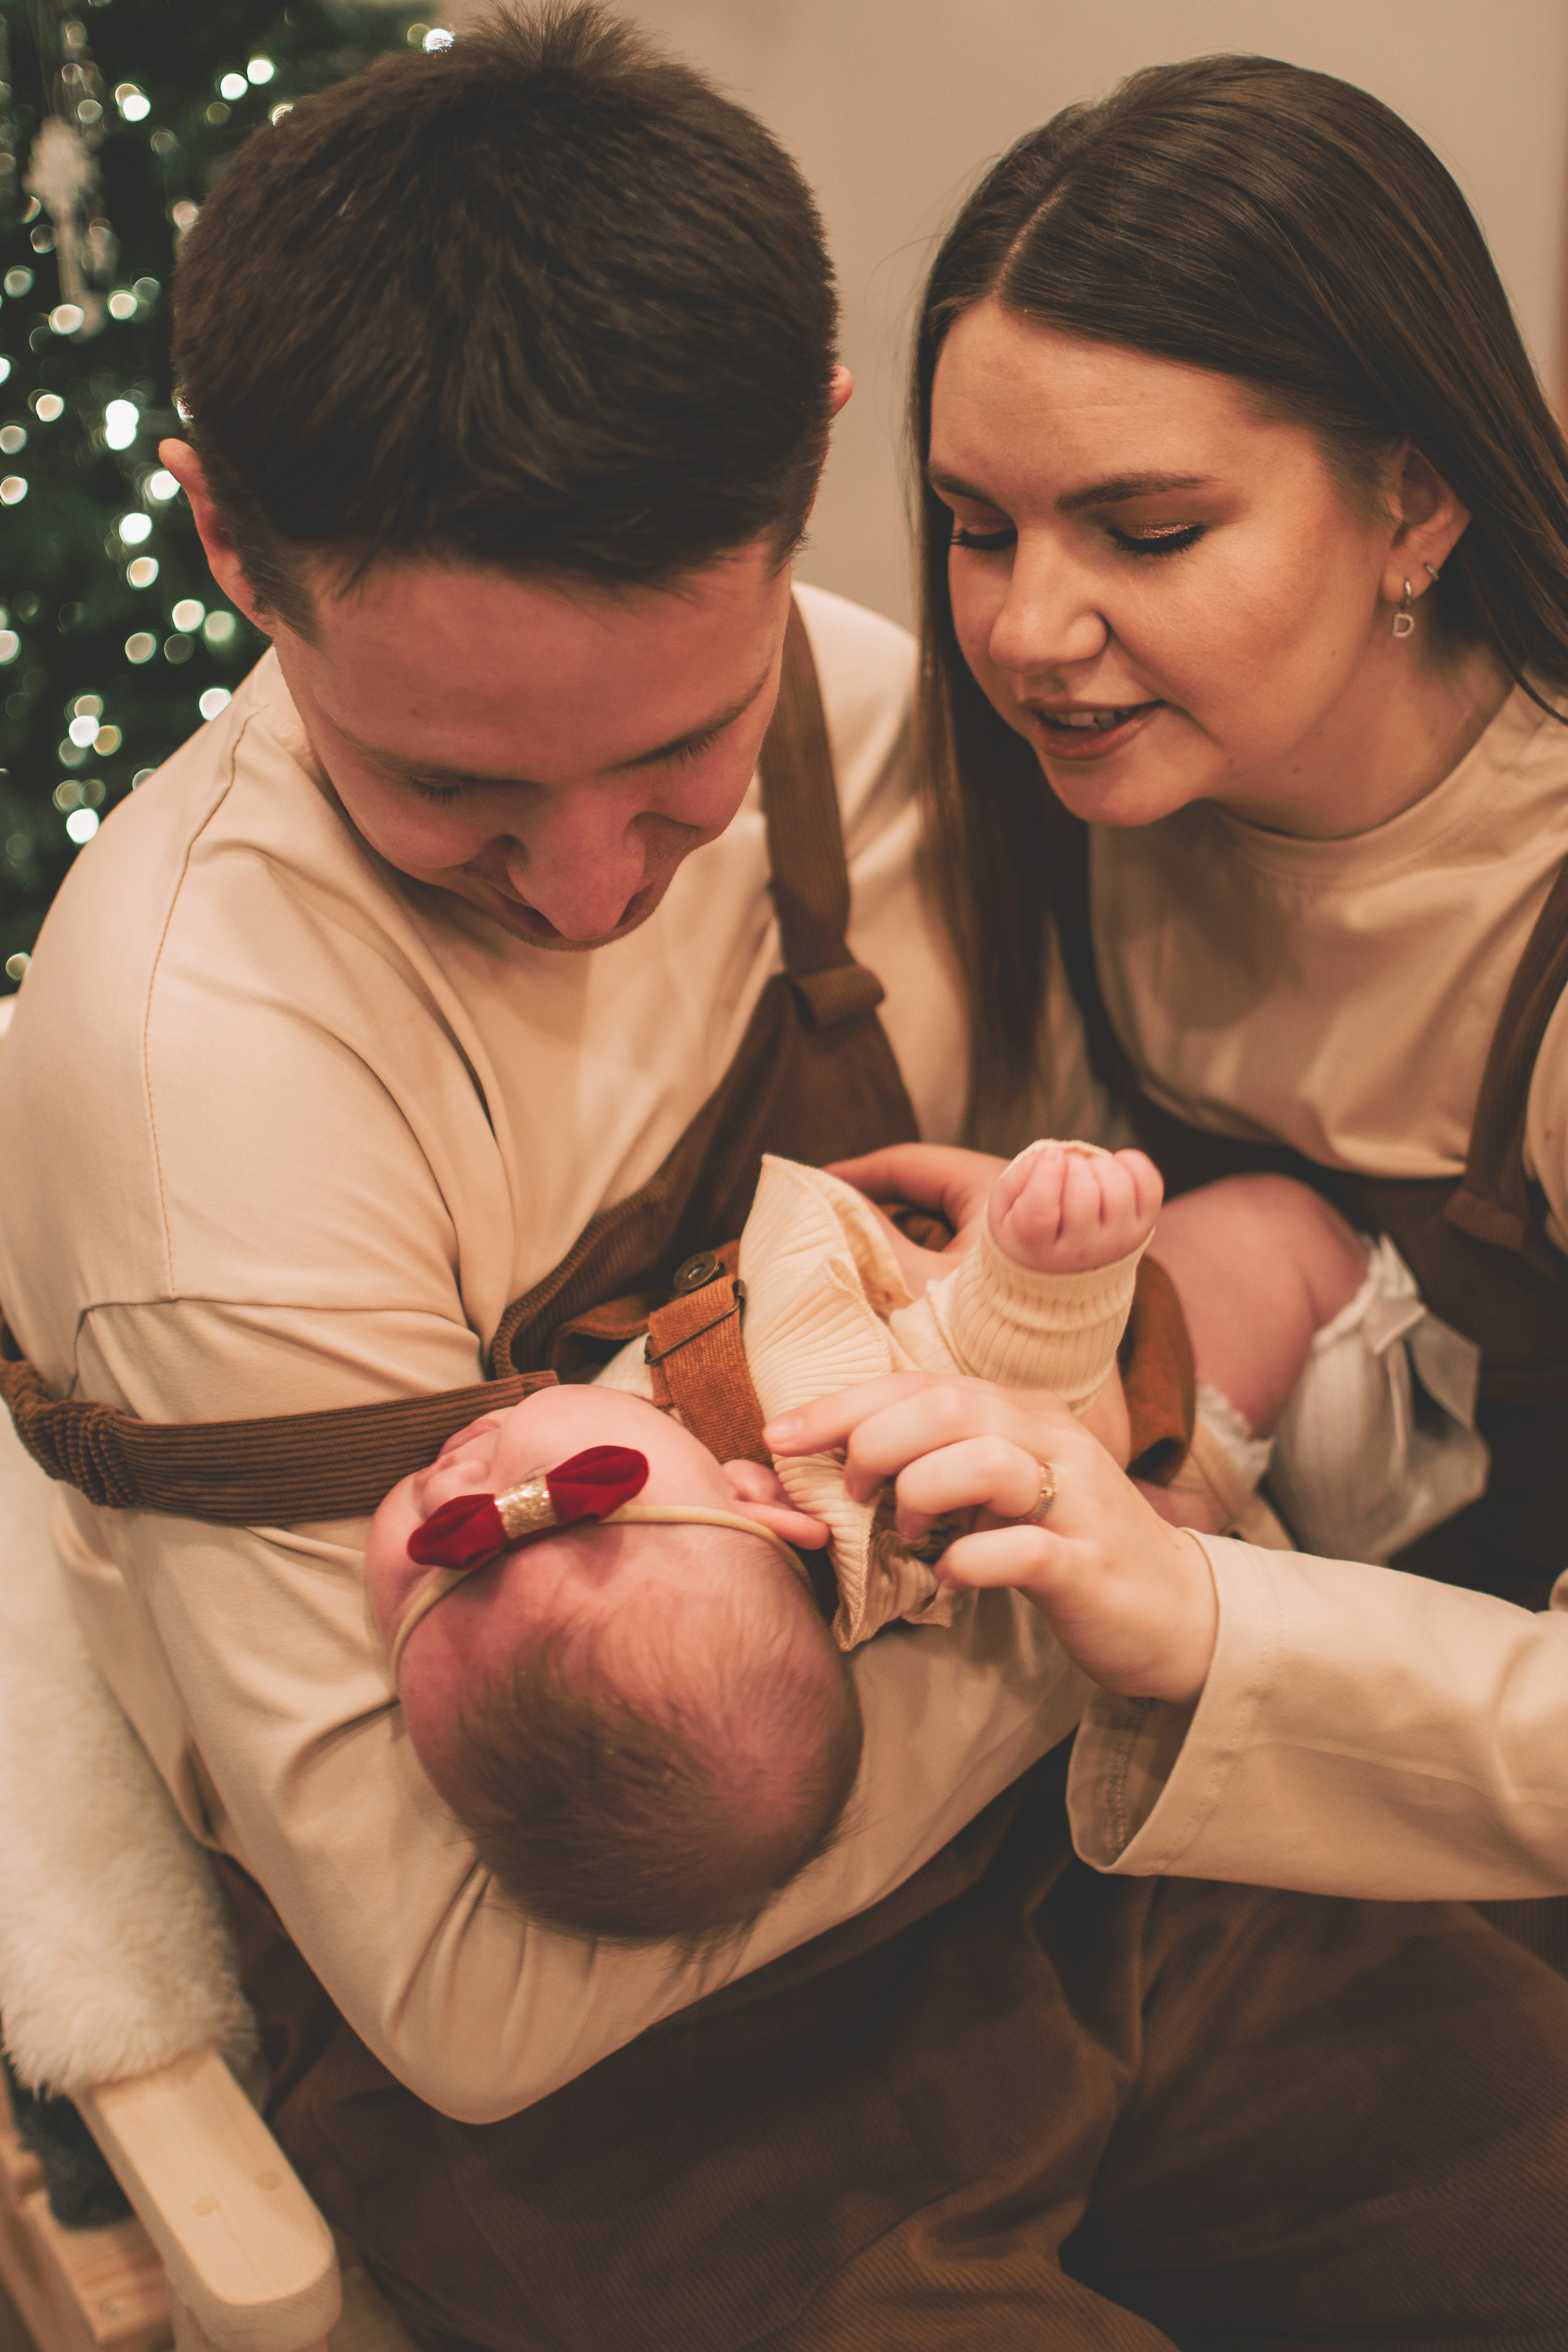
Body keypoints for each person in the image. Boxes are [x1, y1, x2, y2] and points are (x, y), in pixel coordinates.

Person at [4, 15, 1568, 2348]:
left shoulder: (916, 727)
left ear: (800, 472)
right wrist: (1135, 1531)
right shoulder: (188, 1070)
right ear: (226, 533)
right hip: (651, 2093)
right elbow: (469, 2000)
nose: (574, 889)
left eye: (673, 762)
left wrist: (1138, 1377)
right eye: (445, 791)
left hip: (1103, 1862)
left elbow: (1110, 1304)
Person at [771, 51, 1568, 1923]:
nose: (1029, 633)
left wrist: (1190, 1597)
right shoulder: (1103, 781)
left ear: (1419, 505)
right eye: (978, 526)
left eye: (1147, 534)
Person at [365, 1136, 1162, 1944]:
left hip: (865, 1204)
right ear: (752, 1497)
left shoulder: (689, 1530)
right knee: (1269, 1233)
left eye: (418, 1577)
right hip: (1109, 1335)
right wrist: (1052, 1278)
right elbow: (1013, 1413)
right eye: (534, 1494)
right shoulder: (870, 1494)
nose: (449, 1484)